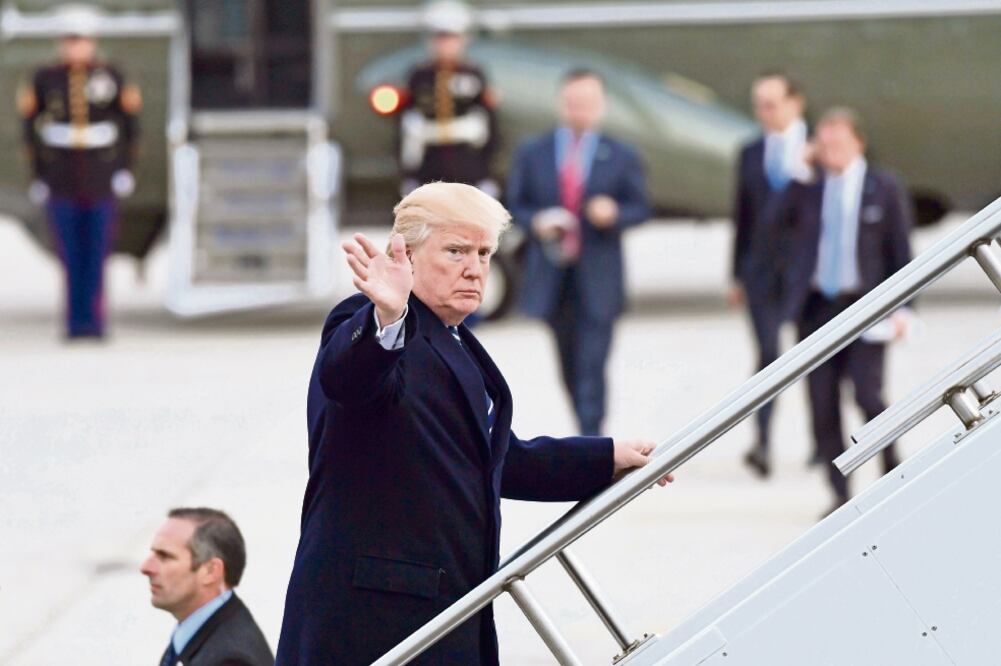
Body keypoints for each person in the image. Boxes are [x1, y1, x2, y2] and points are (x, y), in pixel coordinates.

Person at [275, 182, 671, 665]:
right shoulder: (370, 323)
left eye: (484, 252)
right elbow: (348, 379)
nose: (475, 269)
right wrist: (387, 316)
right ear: (406, 255)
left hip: (444, 613)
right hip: (374, 622)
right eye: (456, 251)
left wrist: (607, 457)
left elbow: (489, 459)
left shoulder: (452, 337)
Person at [780, 108, 912, 517]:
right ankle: (840, 491)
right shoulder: (807, 188)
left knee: (869, 395)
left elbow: (901, 253)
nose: (831, 152)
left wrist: (903, 308)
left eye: (838, 143)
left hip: (867, 306)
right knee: (822, 403)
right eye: (824, 144)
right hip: (817, 307)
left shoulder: (883, 187)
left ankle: (893, 469)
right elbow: (770, 228)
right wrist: (797, 175)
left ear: (858, 142)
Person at [506, 68, 650, 436]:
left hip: (598, 277)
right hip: (553, 275)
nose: (580, 110)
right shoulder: (533, 152)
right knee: (569, 364)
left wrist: (614, 213)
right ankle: (585, 428)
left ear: (601, 105)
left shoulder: (620, 154)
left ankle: (591, 440)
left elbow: (640, 207)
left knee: (592, 365)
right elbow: (514, 205)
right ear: (560, 103)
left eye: (587, 103)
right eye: (573, 102)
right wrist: (537, 221)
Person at [17, 6, 140, 340]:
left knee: (97, 253)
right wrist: (38, 175)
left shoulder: (110, 75)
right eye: (70, 40)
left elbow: (130, 127)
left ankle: (95, 323)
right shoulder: (46, 78)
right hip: (62, 178)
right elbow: (30, 129)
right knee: (70, 255)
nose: (76, 47)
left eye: (81, 40)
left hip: (100, 177)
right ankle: (74, 322)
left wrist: (124, 170)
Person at [730, 72, 812, 478]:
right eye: (758, 104)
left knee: (817, 356)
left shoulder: (818, 148)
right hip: (760, 271)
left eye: (771, 103)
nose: (764, 112)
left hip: (807, 273)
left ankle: (821, 442)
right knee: (767, 356)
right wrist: (736, 274)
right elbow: (742, 216)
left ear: (795, 103)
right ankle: (762, 442)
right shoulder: (749, 152)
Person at [140, 508, 274, 666]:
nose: (146, 567)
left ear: (211, 571)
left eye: (165, 556)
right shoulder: (204, 630)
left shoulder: (230, 659)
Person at [398, 0, 499, 198]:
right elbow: (404, 126)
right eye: (440, 38)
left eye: (452, 38)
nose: (445, 44)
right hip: (428, 168)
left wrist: (487, 173)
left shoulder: (474, 74)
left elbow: (491, 125)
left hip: (468, 167)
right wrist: (407, 174)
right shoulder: (419, 76)